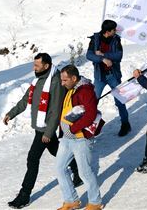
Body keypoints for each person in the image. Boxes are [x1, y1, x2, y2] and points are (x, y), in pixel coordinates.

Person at [3, 53, 79, 209]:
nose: (34, 68)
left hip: (45, 129)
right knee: (57, 151)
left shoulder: (55, 82)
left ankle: (24, 195)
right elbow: (25, 100)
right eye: (34, 64)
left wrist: (48, 132)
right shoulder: (37, 80)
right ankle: (78, 171)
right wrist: (11, 113)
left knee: (32, 158)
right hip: (41, 126)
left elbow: (56, 110)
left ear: (46, 66)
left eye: (37, 65)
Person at [55, 64, 105, 210]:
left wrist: (73, 128)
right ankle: (71, 200)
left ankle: (95, 202)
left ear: (74, 78)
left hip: (80, 139)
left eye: (65, 80)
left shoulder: (85, 91)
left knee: (85, 172)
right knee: (60, 168)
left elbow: (90, 115)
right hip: (67, 138)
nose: (62, 83)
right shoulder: (72, 89)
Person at [85, 20, 131, 136]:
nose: (116, 31)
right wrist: (101, 59)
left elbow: (119, 55)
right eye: (113, 30)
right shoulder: (95, 40)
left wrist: (103, 55)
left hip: (113, 75)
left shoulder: (116, 39)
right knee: (93, 101)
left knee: (120, 100)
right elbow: (89, 55)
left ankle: (125, 124)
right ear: (107, 31)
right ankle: (89, 125)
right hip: (100, 76)